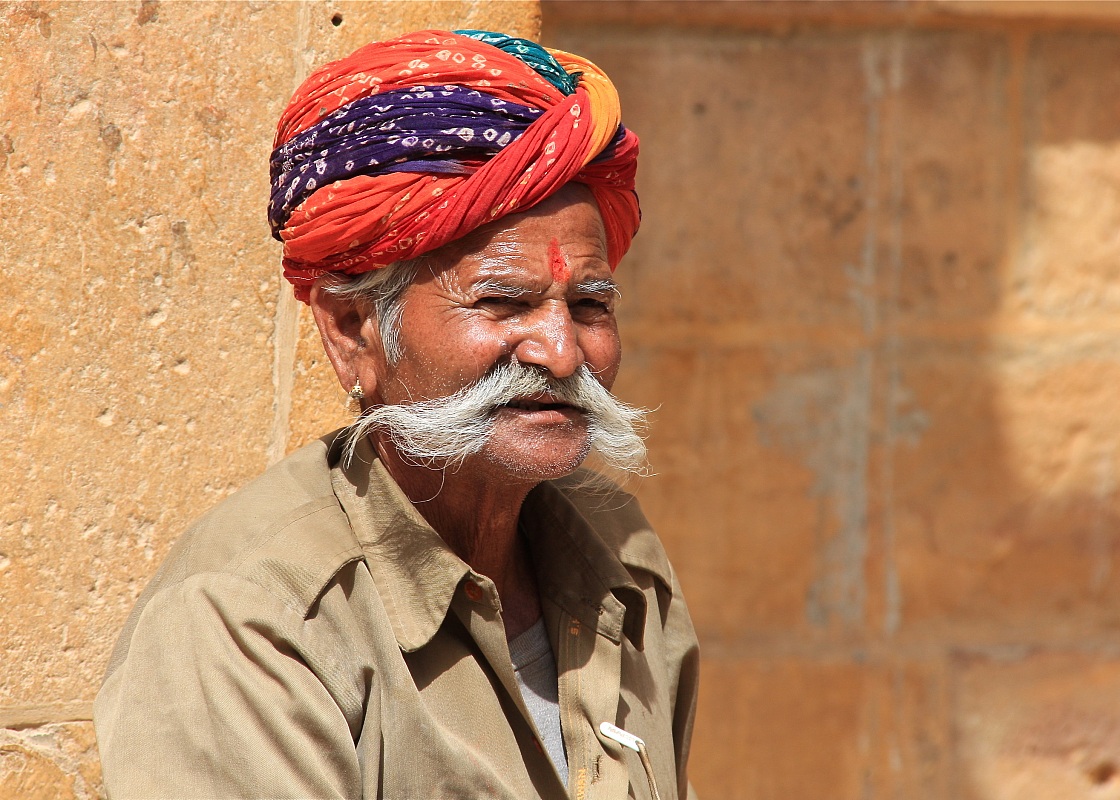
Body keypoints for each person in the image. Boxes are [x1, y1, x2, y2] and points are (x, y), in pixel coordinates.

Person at [93, 29, 700, 800]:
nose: (562, 352)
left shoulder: (625, 559)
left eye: (590, 305)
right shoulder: (249, 622)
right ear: (352, 332)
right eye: (504, 302)